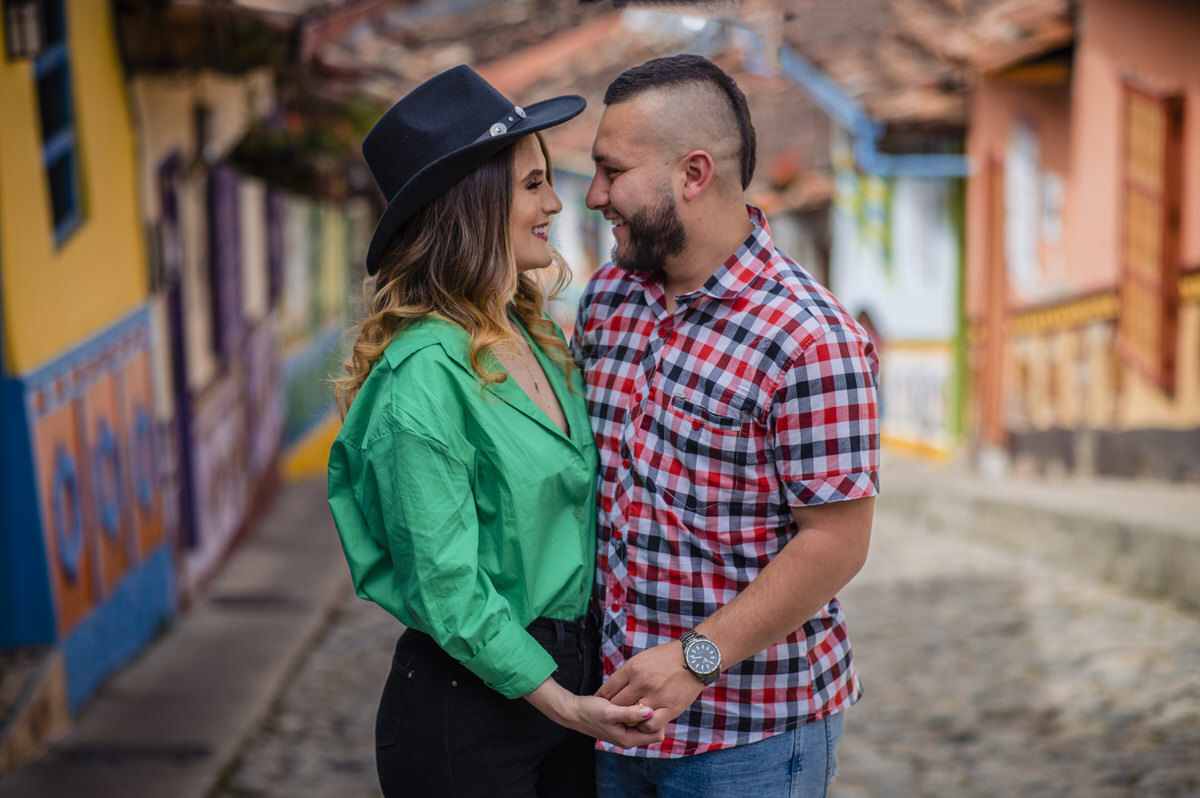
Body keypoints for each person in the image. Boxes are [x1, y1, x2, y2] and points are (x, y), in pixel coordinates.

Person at [326, 65, 663, 798]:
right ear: (472, 206)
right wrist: (562, 702)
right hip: (470, 713)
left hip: (569, 694)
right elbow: (445, 586)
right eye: (533, 184)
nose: (555, 202)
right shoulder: (422, 377)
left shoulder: (534, 333)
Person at [571, 55, 880, 797]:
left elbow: (836, 541)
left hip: (751, 739)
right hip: (609, 722)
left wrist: (694, 659)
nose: (594, 195)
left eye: (613, 171)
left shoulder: (810, 337)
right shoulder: (607, 299)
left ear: (694, 174)